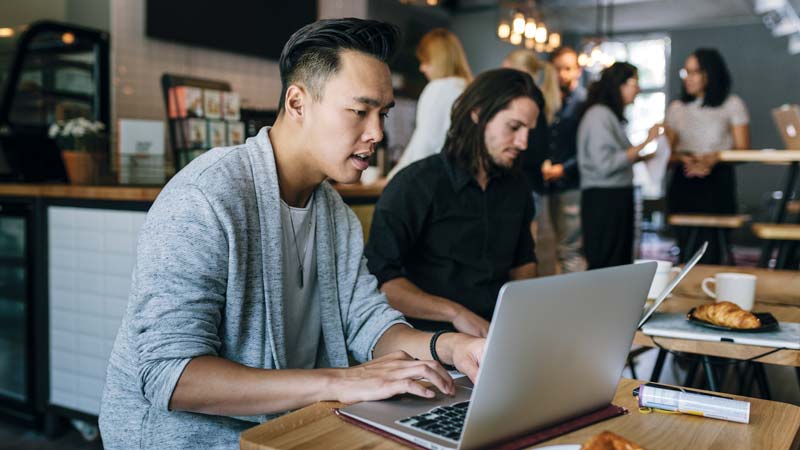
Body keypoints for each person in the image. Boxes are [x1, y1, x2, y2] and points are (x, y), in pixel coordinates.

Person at [98, 19, 485, 450]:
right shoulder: (206, 197)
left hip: (287, 430)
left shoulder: (333, 211)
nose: (377, 133)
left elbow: (366, 322)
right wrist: (341, 381)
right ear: (298, 103)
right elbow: (170, 375)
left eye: (384, 114)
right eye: (360, 111)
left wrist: (451, 347)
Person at [365, 68, 543, 337]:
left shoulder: (517, 187)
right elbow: (382, 283)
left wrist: (522, 321)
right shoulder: (415, 185)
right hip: (428, 345)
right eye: (514, 127)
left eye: (529, 131)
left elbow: (524, 264)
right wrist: (456, 314)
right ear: (478, 114)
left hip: (497, 338)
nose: (523, 142)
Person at [664, 48, 750, 264]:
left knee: (713, 245)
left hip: (718, 180)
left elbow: (743, 150)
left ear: (710, 74)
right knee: (686, 244)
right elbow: (666, 153)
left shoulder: (732, 104)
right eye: (686, 72)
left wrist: (715, 158)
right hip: (684, 179)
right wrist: (686, 159)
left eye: (695, 72)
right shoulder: (677, 107)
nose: (689, 78)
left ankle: (713, 289)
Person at [506, 47, 587, 274]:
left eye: (568, 68)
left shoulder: (583, 103)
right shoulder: (546, 97)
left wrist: (564, 168)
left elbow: (587, 148)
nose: (563, 74)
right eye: (559, 68)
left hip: (569, 182)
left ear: (578, 71)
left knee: (570, 248)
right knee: (544, 248)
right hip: (544, 183)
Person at [577, 62, 661, 269]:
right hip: (604, 199)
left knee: (619, 261)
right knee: (607, 262)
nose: (638, 89)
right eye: (634, 83)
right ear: (618, 85)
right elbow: (604, 164)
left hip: (614, 196)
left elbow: (615, 158)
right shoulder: (599, 114)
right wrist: (646, 141)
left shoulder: (609, 115)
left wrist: (646, 157)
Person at [387, 28, 472, 178]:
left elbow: (424, 145)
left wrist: (394, 179)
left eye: (425, 61)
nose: (422, 68)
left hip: (435, 180)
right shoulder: (469, 89)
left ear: (440, 60)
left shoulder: (439, 88)